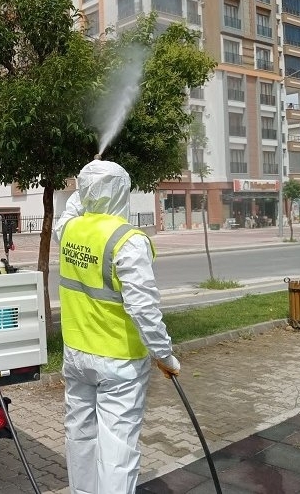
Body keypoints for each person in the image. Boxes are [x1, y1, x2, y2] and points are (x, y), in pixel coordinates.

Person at [54, 159, 180, 494]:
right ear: (123, 191)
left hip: (76, 355)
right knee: (117, 448)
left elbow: (72, 207)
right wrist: (164, 356)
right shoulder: (128, 239)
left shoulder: (69, 230)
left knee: (79, 435)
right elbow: (143, 309)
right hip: (119, 361)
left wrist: (86, 183)